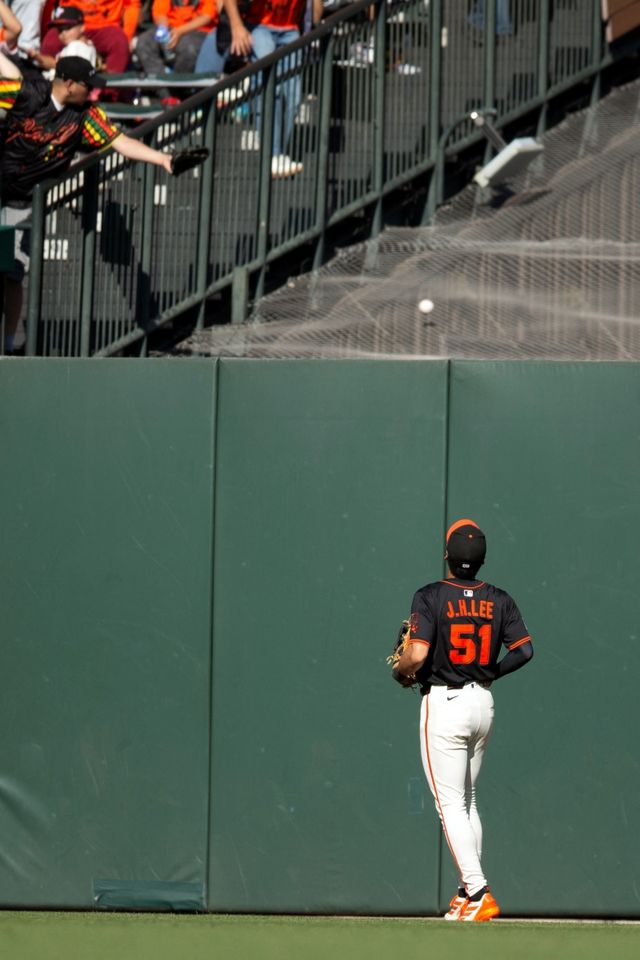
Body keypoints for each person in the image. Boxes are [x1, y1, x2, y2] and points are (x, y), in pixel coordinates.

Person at [392, 518, 533, 921]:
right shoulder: (500, 599)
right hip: (482, 702)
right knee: (467, 800)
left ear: (447, 556)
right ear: (483, 559)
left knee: (450, 803)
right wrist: (491, 672)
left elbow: (417, 654)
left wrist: (401, 671)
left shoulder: (430, 595)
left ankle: (479, 891)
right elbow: (524, 651)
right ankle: (466, 894)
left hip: (446, 702)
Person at [0, 51, 175, 353]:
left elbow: (121, 142)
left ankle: (8, 345)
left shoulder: (86, 115)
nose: (93, 91)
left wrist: (162, 159)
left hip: (23, 201)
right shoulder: (25, 92)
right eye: (88, 85)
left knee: (13, 272)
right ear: (69, 84)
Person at [134, 0, 218, 106]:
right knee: (144, 42)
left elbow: (207, 16)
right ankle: (165, 95)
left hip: (199, 31)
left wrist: (179, 31)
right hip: (171, 28)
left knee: (188, 48)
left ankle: (176, 94)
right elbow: (160, 12)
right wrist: (164, 29)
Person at [39, 0, 140, 78]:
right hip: (70, 22)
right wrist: (44, 33)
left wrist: (128, 36)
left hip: (106, 25)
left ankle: (108, 93)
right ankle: (48, 91)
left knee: (120, 42)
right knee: (50, 42)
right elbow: (49, 4)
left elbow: (132, 5)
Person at [26, 6, 98, 75]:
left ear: (82, 27)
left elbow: (68, 73)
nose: (63, 33)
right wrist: (37, 57)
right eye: (60, 30)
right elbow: (55, 63)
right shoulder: (82, 45)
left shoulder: (75, 46)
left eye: (67, 28)